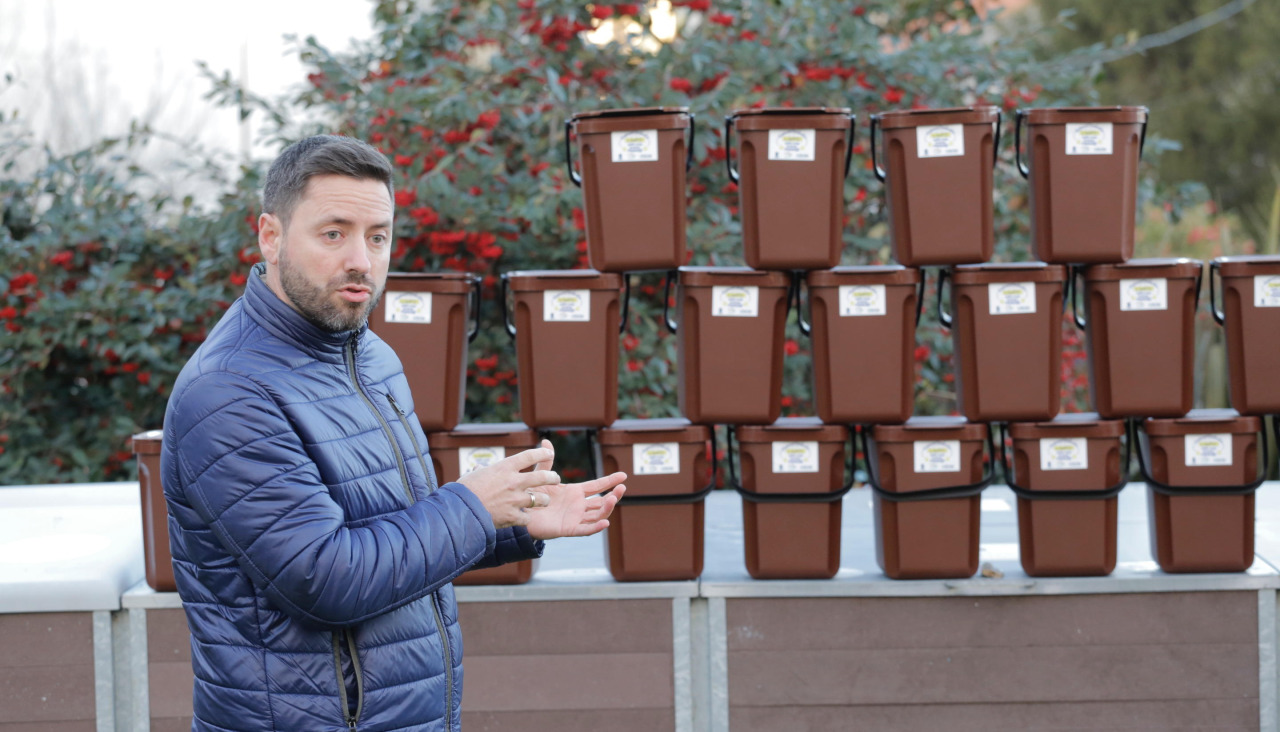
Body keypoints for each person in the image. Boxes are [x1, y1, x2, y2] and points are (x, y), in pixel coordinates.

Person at [160, 134, 626, 732]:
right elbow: (324, 578)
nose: (361, 259)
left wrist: (507, 523)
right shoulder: (226, 393)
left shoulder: (372, 358)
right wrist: (472, 508)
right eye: (334, 233)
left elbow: (395, 532)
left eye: (377, 237)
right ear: (270, 237)